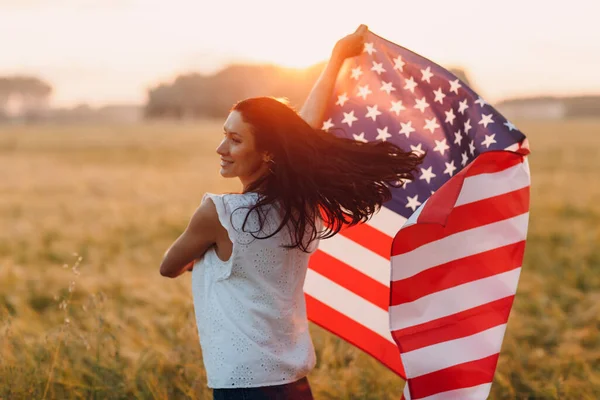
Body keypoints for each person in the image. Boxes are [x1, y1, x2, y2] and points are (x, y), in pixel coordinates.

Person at [159, 25, 424, 400]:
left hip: (242, 386)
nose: (221, 147)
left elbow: (168, 266)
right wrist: (335, 60)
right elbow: (300, 134)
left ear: (267, 153)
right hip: (293, 385)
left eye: (235, 140)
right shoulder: (299, 207)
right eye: (224, 134)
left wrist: (200, 257)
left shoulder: (218, 213)